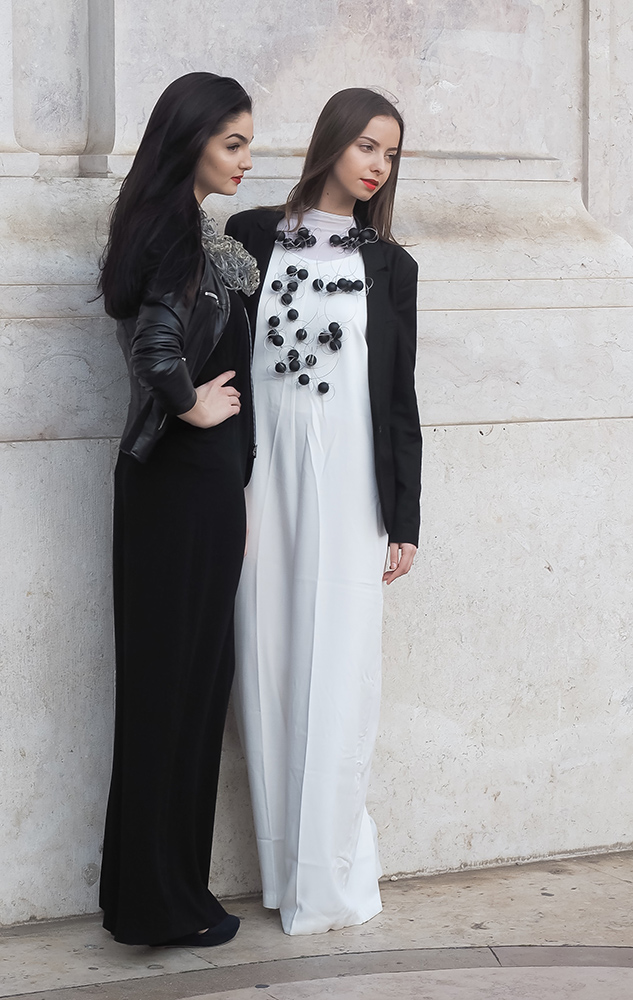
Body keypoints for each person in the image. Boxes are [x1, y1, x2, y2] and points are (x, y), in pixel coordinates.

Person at [226, 88, 422, 936]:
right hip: (258, 483)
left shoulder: (392, 267)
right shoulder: (250, 236)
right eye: (367, 145)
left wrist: (404, 518)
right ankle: (283, 873)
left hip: (349, 491)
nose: (378, 165)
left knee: (340, 671)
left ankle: (329, 874)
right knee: (266, 660)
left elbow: (398, 399)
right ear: (332, 140)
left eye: (391, 154)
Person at [97, 72, 260, 947]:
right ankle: (163, 904)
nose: (245, 159)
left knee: (175, 691)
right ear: (189, 140)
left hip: (186, 492)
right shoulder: (174, 234)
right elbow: (158, 351)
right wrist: (193, 403)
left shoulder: (184, 232)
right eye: (232, 142)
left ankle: (146, 895)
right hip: (183, 488)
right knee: (178, 693)